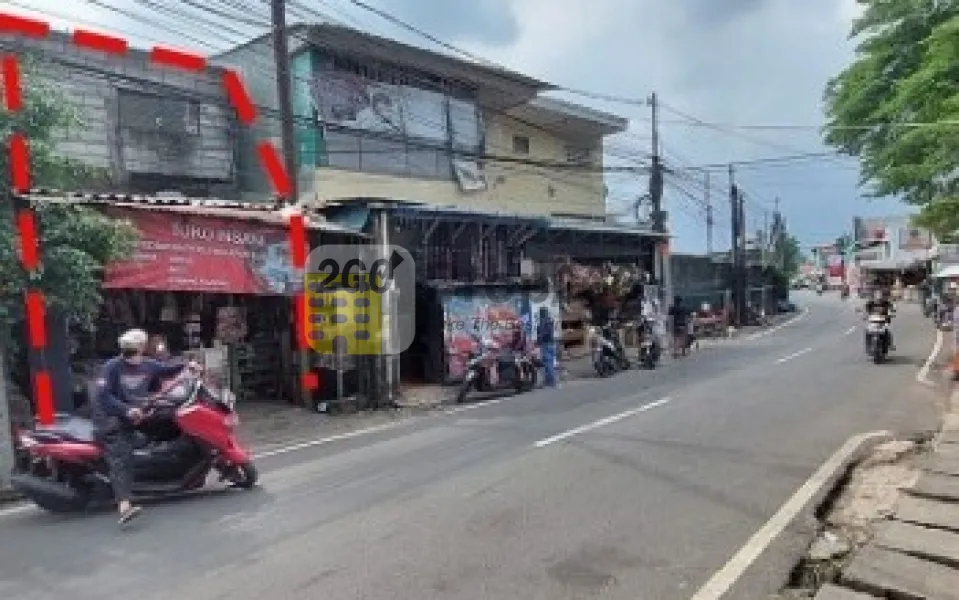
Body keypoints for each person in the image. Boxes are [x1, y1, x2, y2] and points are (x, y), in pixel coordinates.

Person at [94, 328, 198, 526]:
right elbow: (104, 397)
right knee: (121, 455)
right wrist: (126, 410)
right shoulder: (112, 367)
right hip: (112, 419)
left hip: (138, 415)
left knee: (166, 421)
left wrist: (188, 365)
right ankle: (124, 505)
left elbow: (167, 368)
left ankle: (168, 470)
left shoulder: (148, 365)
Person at [536, 307, 558, 387]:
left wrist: (539, 340)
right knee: (550, 362)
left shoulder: (543, 322)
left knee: (547, 362)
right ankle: (550, 380)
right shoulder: (550, 321)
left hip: (546, 344)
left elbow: (542, 334)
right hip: (551, 343)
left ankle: (550, 380)